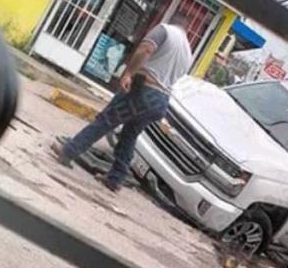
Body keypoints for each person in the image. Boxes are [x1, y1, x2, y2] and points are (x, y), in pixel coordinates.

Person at [52, 13, 194, 192]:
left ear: (172, 21)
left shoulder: (164, 30)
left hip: (143, 89)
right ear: (186, 29)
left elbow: (146, 50)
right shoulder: (189, 53)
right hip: (160, 101)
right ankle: (116, 178)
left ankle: (68, 151)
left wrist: (128, 73)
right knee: (129, 135)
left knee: (105, 121)